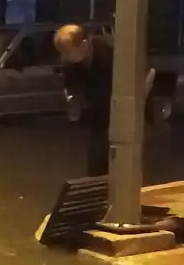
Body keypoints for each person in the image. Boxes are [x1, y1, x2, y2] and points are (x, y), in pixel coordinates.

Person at [54, 24, 154, 177]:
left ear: (84, 45)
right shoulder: (71, 63)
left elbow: (139, 76)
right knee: (96, 161)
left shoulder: (110, 53)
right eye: (63, 53)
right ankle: (98, 191)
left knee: (123, 164)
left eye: (68, 53)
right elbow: (71, 86)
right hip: (98, 117)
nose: (65, 58)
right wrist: (73, 100)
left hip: (122, 111)